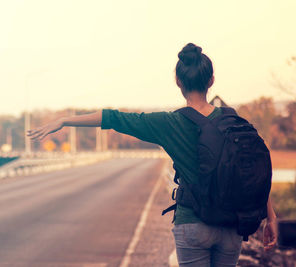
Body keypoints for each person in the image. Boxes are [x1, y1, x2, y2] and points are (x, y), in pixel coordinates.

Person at [27, 43, 277, 266]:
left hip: (193, 223)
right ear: (211, 80)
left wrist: (64, 121)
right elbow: (254, 170)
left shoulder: (168, 123)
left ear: (178, 82)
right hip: (231, 227)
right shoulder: (233, 120)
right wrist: (271, 216)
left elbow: (112, 117)